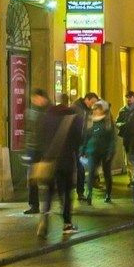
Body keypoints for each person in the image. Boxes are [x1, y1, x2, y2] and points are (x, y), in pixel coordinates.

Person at [36, 98, 85, 237]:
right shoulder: (73, 118)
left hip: (50, 162)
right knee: (67, 193)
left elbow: (39, 138)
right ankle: (67, 223)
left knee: (49, 192)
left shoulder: (46, 117)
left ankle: (44, 219)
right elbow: (79, 140)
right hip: (66, 162)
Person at [83, 101, 116, 205]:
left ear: (103, 110)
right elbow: (86, 136)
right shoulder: (90, 121)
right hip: (92, 150)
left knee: (107, 173)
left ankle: (108, 194)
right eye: (95, 109)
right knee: (91, 172)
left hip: (105, 152)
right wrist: (83, 149)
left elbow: (112, 138)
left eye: (98, 108)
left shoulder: (108, 122)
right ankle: (89, 193)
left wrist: (111, 151)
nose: (95, 111)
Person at [23, 89, 50, 215]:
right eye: (34, 98)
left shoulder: (49, 112)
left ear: (43, 98)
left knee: (48, 177)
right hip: (33, 149)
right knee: (32, 178)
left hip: (46, 150)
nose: (35, 100)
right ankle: (34, 205)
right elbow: (27, 130)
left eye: (37, 98)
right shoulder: (30, 113)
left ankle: (49, 203)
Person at [71, 92, 98, 202]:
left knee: (81, 167)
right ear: (87, 99)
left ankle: (81, 192)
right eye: (92, 102)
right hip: (73, 141)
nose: (92, 105)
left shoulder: (89, 111)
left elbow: (90, 127)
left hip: (83, 144)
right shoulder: (75, 108)